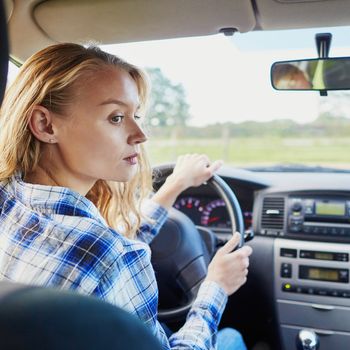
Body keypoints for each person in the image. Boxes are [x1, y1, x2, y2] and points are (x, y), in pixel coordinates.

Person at [0, 43, 252, 350]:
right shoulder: (115, 256)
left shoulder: (8, 200)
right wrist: (215, 288)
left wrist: (173, 187)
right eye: (116, 117)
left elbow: (99, 250)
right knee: (232, 338)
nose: (140, 135)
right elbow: (107, 255)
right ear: (45, 124)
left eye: (136, 115)